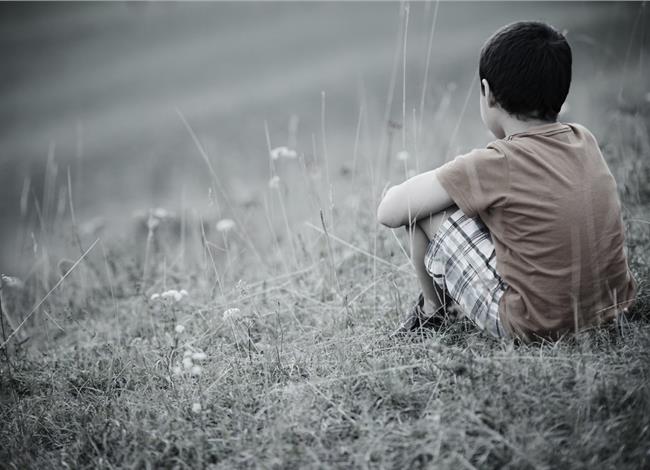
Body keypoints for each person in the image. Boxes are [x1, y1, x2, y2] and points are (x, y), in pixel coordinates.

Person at [377, 21, 636, 342]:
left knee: (425, 212)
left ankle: (433, 311)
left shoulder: (496, 162)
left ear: (487, 93)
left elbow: (390, 212)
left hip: (532, 325)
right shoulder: (583, 139)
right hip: (614, 305)